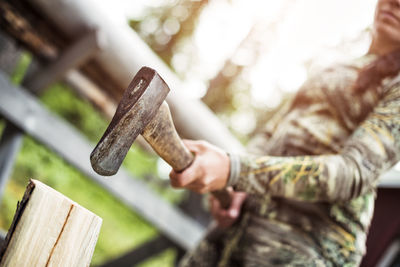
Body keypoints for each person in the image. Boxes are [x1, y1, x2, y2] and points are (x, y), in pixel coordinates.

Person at [170, 0, 400, 266]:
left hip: (307, 249)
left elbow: (352, 172)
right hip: (242, 225)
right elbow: (273, 131)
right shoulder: (336, 66)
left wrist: (236, 170)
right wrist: (236, 188)